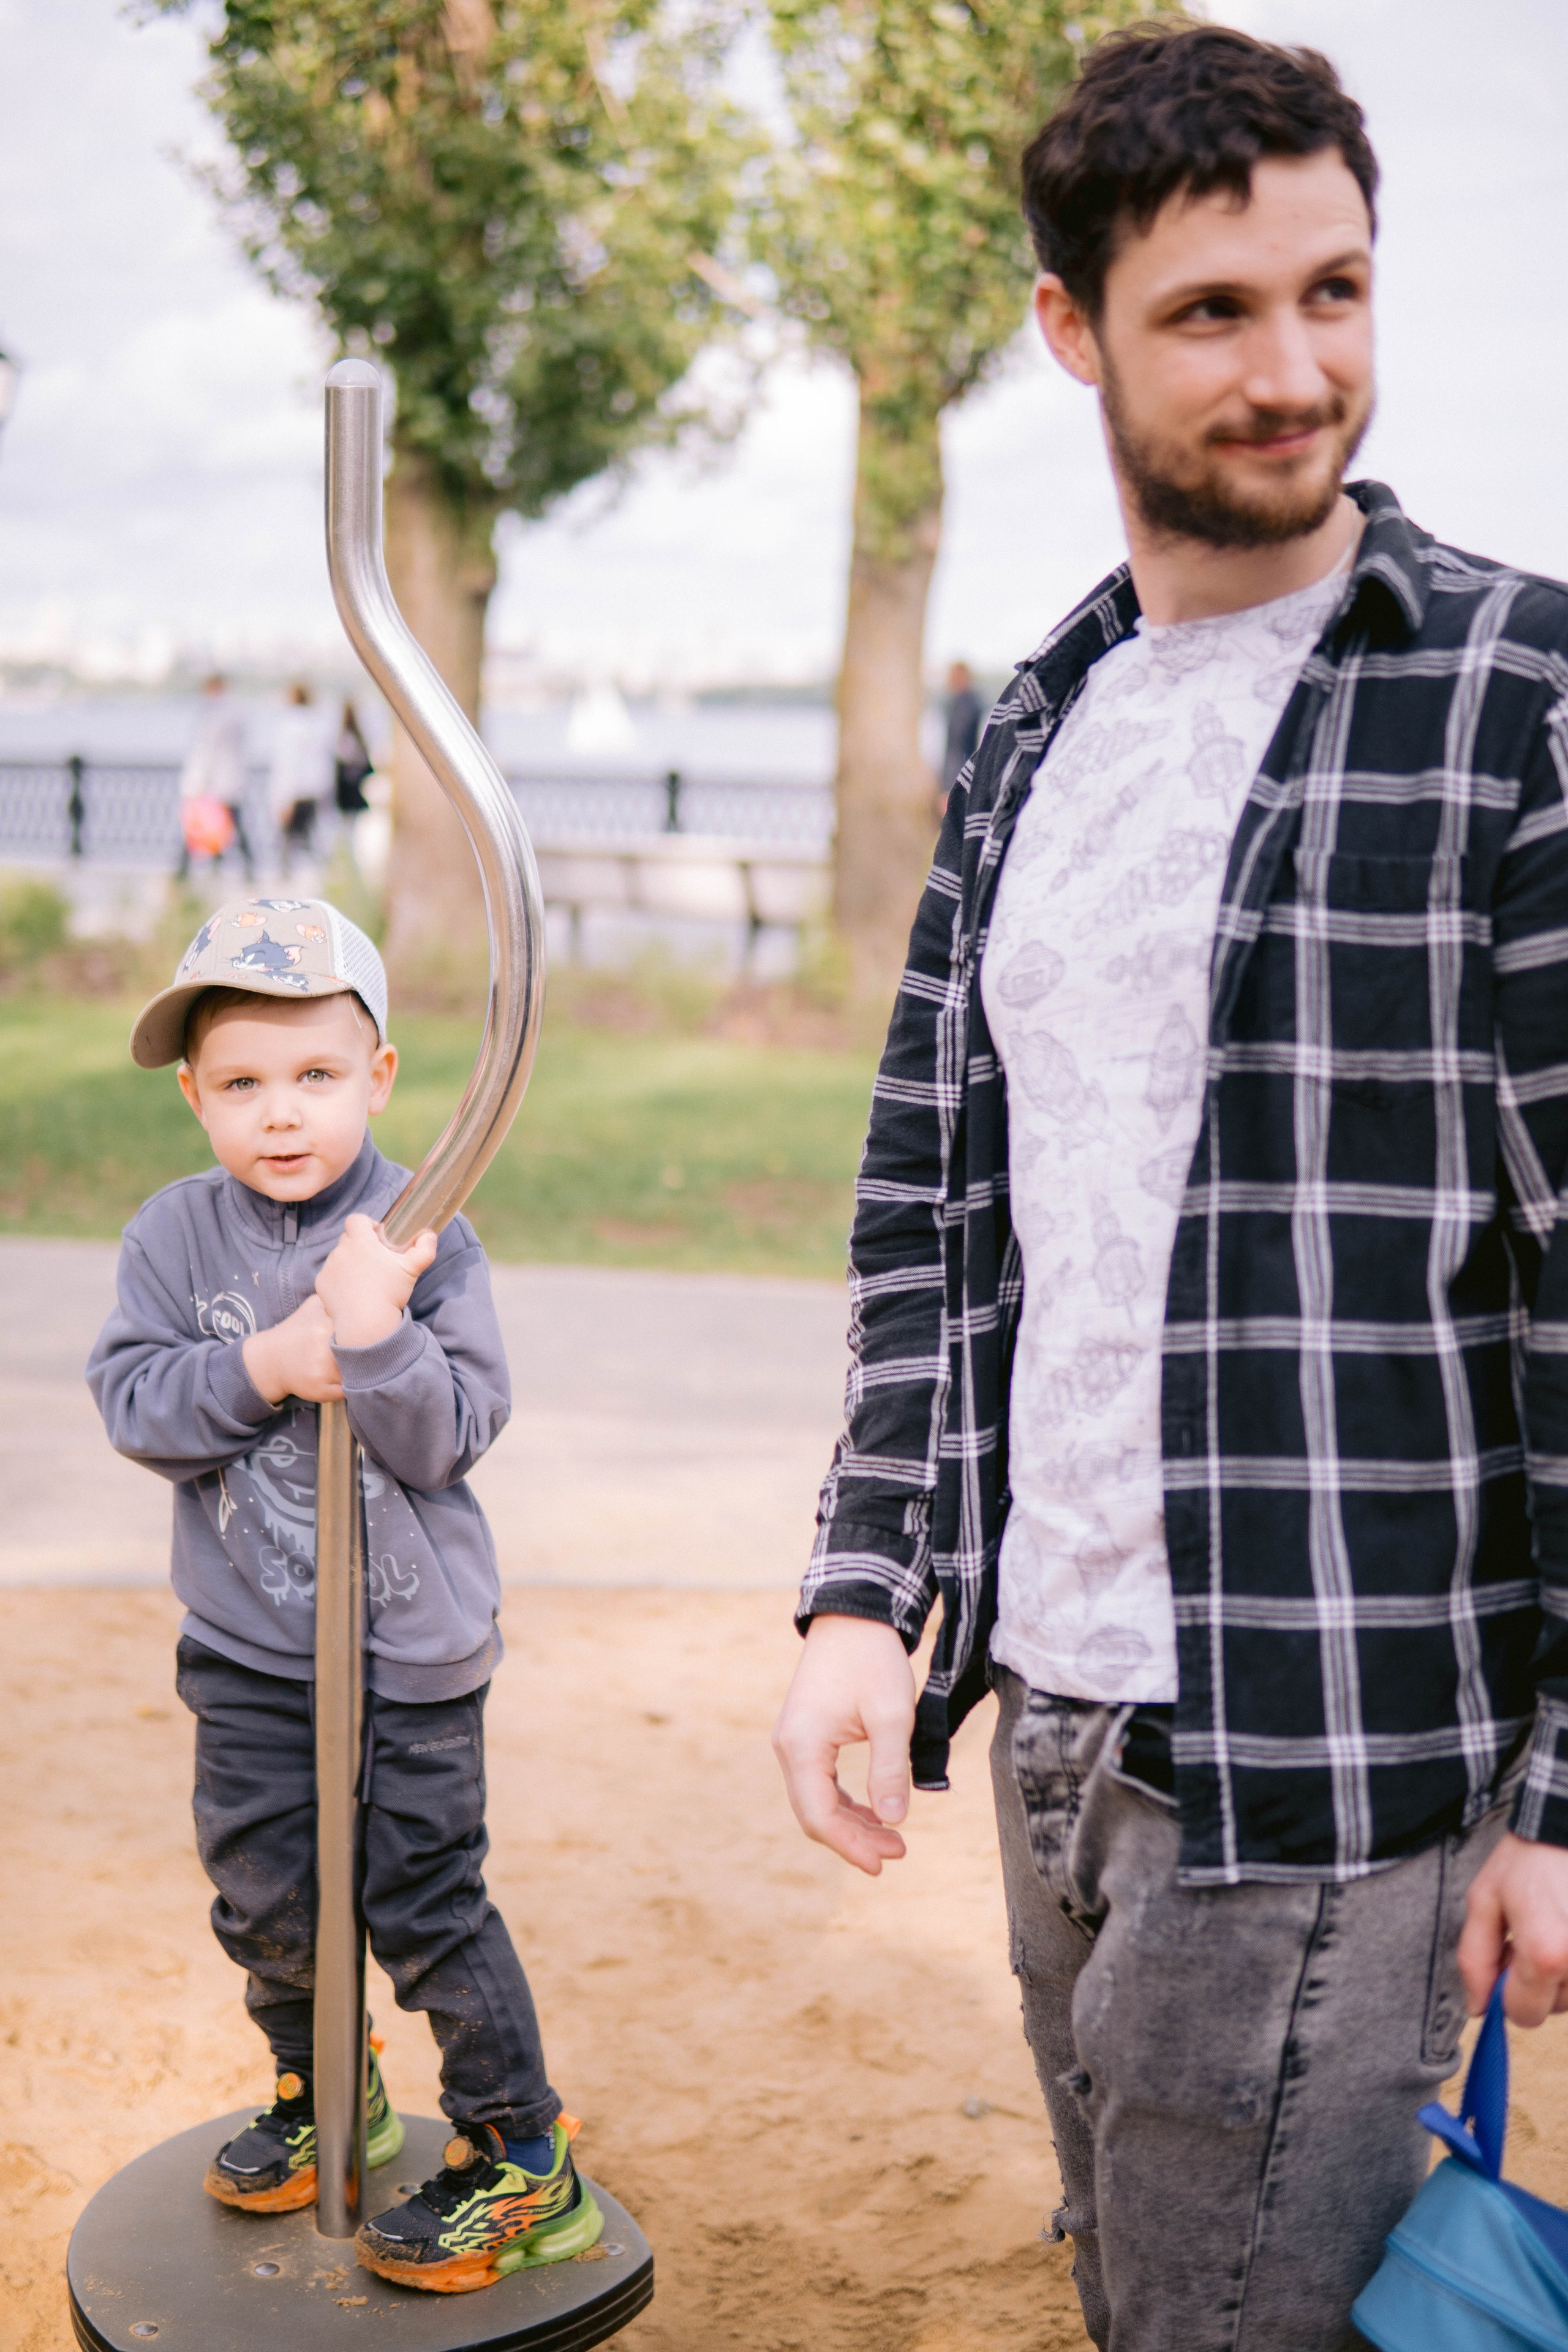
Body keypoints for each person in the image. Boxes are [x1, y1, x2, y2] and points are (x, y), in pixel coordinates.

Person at [772, 24, 1568, 2349]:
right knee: (1131, 2283)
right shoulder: (1036, 716)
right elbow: (933, 1196)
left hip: (1333, 1755)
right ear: (1066, 329)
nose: (1290, 366)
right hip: (1050, 1724)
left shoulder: (1513, 697)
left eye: (1329, 292)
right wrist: (861, 1593)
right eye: (1209, 311)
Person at [86, 895, 605, 2293]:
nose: (279, 1113)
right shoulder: (174, 1237)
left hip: (411, 1656)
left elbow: (450, 1431)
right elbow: (134, 1402)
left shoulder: (423, 1229)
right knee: (264, 1895)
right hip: (250, 1646)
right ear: (194, 1094)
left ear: (378, 1077)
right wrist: (268, 1362)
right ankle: (329, 2090)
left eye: (314, 1075)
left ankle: (519, 2148)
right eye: (241, 1082)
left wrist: (368, 1334)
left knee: (422, 1897)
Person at [178, 674, 255, 883]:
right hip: (230, 782)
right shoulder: (236, 712)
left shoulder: (213, 715)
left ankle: (182, 876)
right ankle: (247, 871)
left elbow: (206, 754)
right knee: (232, 828)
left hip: (216, 785)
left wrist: (197, 785)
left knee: (200, 829)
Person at [268, 682, 334, 878]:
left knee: (287, 840)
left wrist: (283, 798)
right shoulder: (316, 724)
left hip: (296, 792)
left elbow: (289, 765)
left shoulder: (290, 727)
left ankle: (285, 877)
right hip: (313, 790)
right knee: (312, 839)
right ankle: (325, 873)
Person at [939, 660, 982, 802]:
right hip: (959, 775)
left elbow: (958, 746)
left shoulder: (967, 705)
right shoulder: (956, 703)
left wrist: (949, 785)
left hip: (959, 777)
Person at [333, 699, 374, 816]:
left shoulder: (345, 737)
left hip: (349, 788)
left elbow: (343, 758)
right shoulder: (358, 738)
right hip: (357, 786)